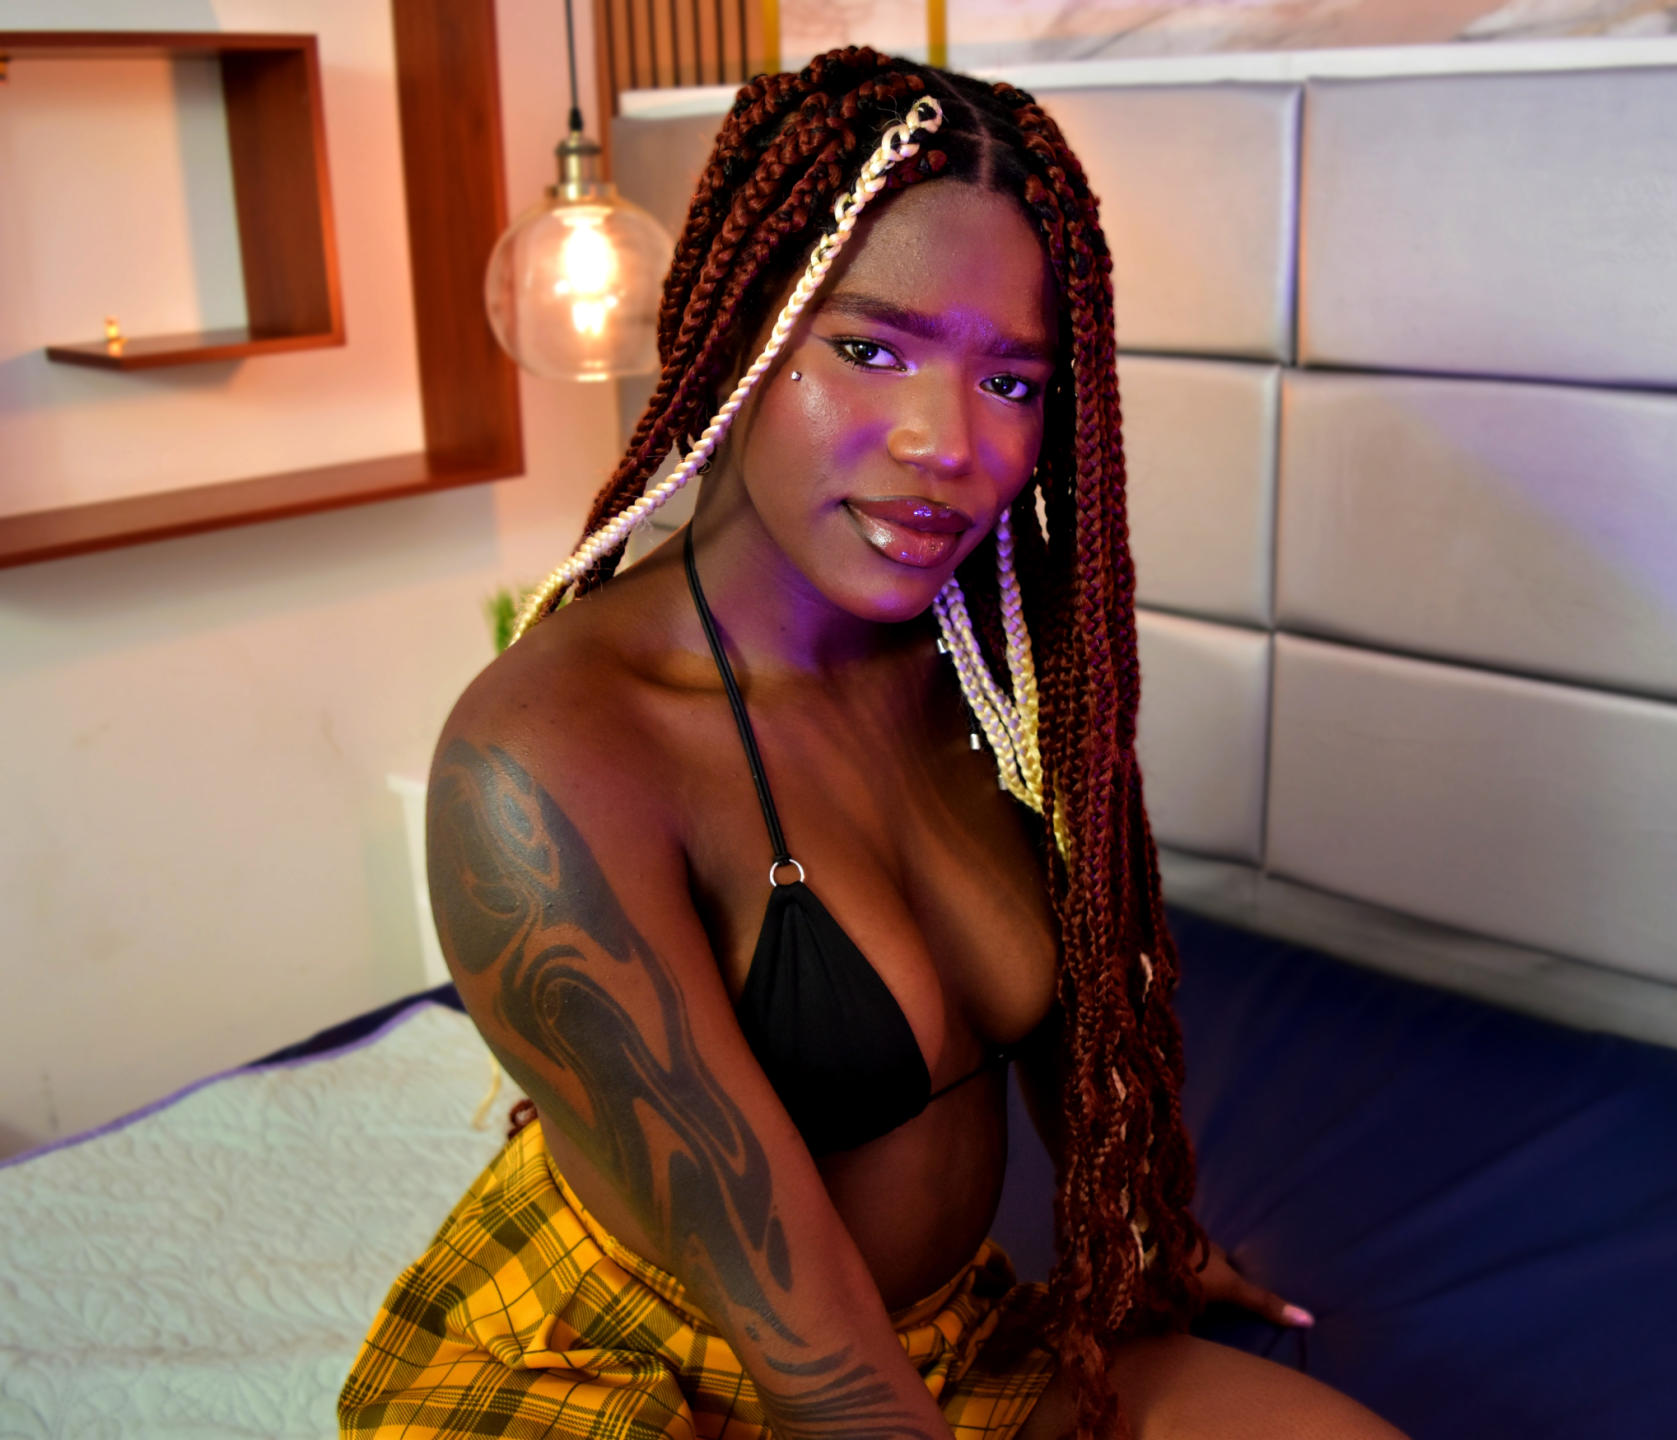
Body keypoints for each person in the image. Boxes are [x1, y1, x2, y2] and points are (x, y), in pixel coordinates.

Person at [340, 49, 1405, 1440]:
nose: (947, 443)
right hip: (626, 1367)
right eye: (871, 351)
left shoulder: (992, 676)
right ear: (739, 338)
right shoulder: (545, 763)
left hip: (944, 1335)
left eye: (1011, 380)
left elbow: (1077, 1043)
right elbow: (826, 1378)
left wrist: (1144, 1243)